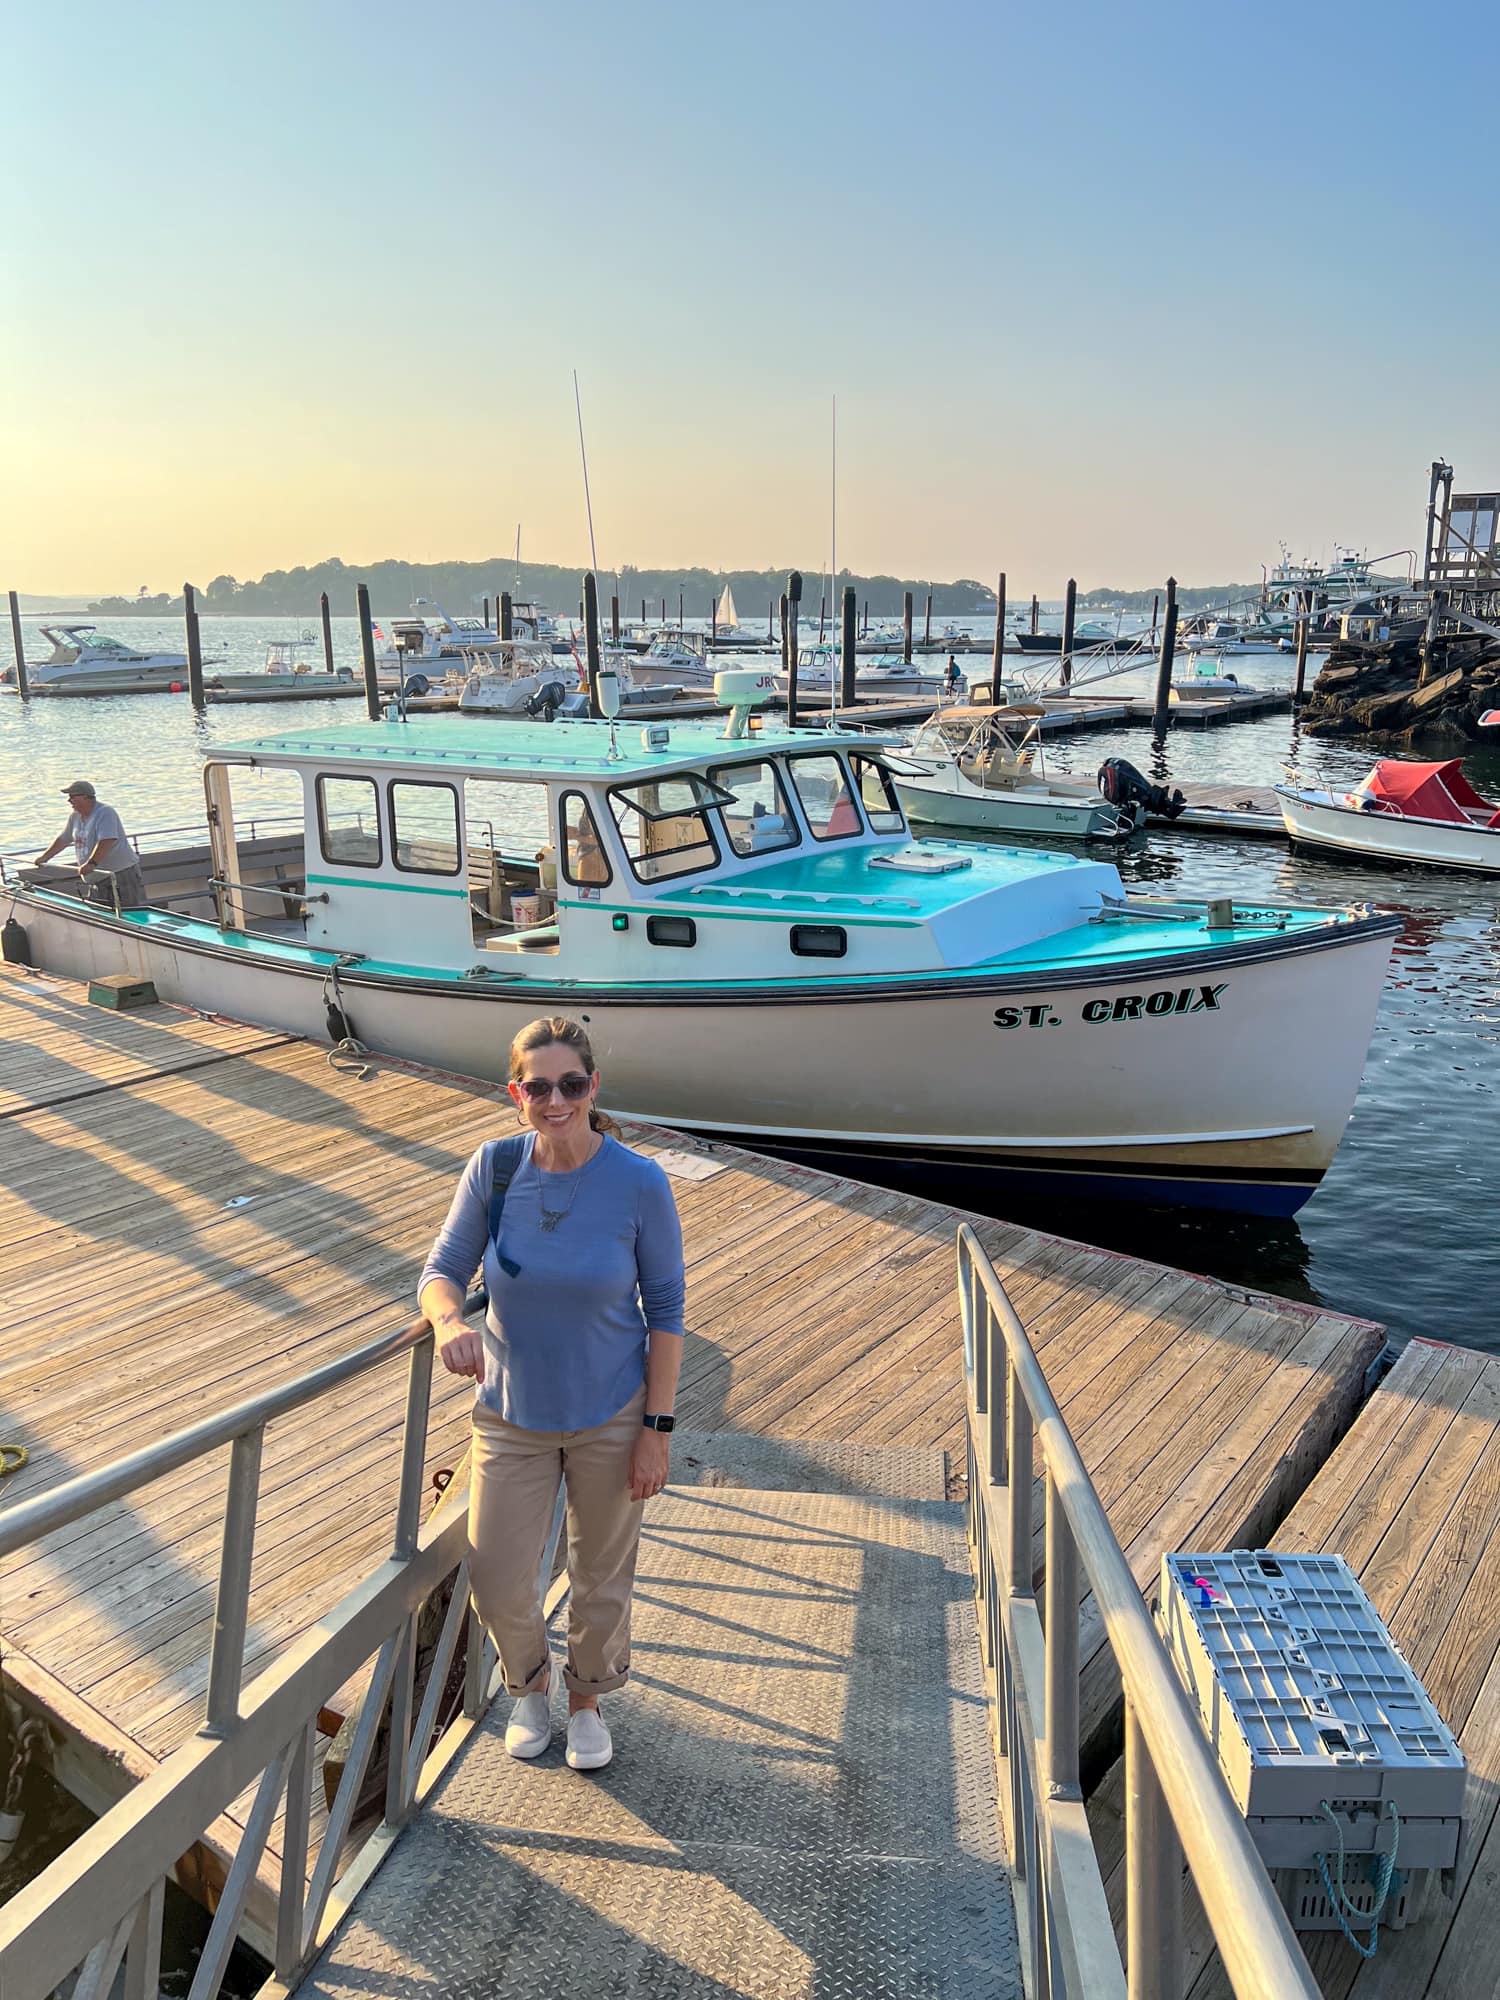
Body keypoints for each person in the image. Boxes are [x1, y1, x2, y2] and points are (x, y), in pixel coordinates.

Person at [418, 1015, 685, 1772]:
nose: (555, 1099)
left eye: (571, 1084)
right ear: (516, 1093)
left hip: (611, 1412)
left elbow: (665, 1311)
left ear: (593, 1087)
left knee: (601, 1575)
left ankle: (588, 1700)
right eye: (538, 1087)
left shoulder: (639, 1182)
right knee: (498, 1572)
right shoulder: (495, 1168)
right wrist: (444, 1324)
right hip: (510, 1414)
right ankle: (529, 1686)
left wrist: (655, 1431)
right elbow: (442, 1271)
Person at [34, 781, 147, 910]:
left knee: (127, 911)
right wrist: (44, 857)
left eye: (72, 796)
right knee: (99, 912)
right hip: (96, 877)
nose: (69, 800)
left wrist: (91, 863)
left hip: (119, 873)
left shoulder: (105, 813)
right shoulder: (75, 817)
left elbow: (106, 840)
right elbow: (63, 839)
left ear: (85, 797)